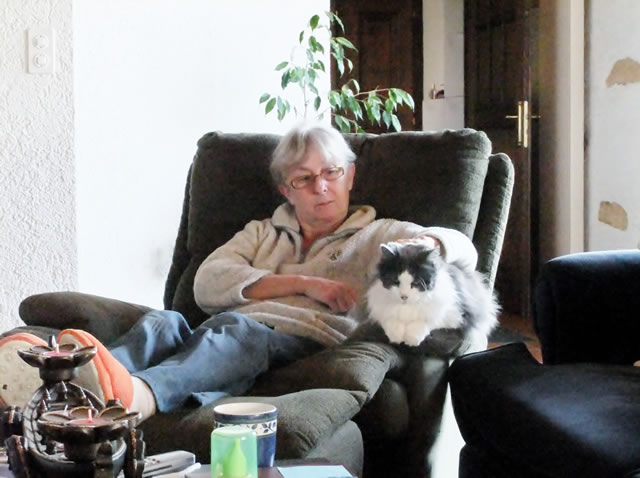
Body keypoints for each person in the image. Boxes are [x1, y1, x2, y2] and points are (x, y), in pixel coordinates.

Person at [0, 122, 478, 420]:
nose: (322, 187)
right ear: (286, 190)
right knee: (165, 322)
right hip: (224, 330)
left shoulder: (381, 234)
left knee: (236, 331)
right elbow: (207, 283)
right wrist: (305, 283)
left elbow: (463, 251)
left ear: (350, 175)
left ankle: (136, 397)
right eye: (305, 178)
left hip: (300, 342)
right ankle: (63, 383)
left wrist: (429, 244)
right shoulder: (261, 232)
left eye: (332, 172)